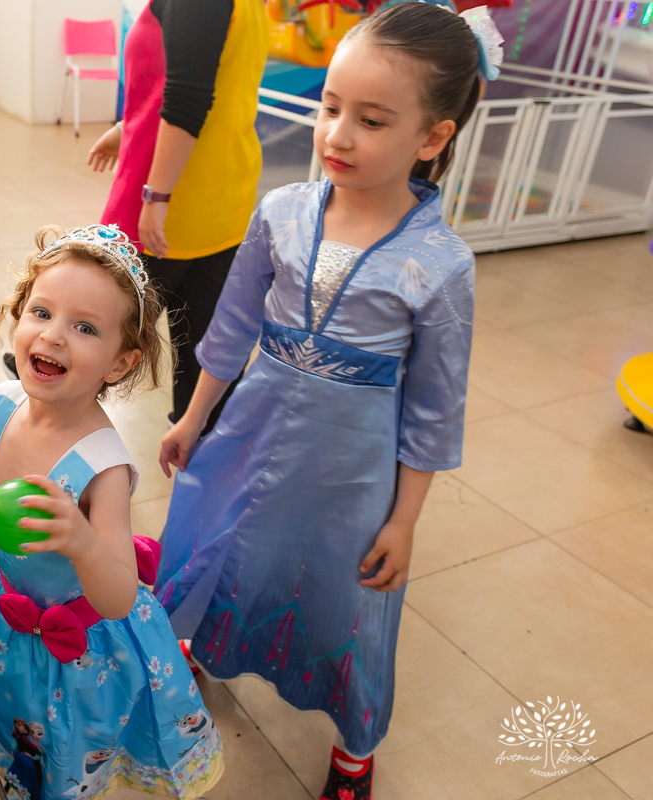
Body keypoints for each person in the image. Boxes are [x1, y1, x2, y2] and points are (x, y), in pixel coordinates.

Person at [153, 4, 502, 799]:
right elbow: (233, 326)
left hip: (353, 467)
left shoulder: (440, 264)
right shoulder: (281, 213)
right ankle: (200, 644)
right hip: (251, 428)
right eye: (330, 107)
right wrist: (193, 416)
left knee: (345, 593)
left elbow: (435, 408)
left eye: (371, 120)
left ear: (432, 137)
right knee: (222, 534)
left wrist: (405, 520)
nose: (337, 135)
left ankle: (354, 746)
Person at [0, 225, 224, 800]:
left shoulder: (101, 465)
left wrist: (83, 540)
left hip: (78, 645)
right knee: (10, 722)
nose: (54, 336)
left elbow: (117, 598)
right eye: (41, 312)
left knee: (63, 750)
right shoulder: (5, 402)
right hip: (11, 608)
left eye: (85, 328)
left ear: (119, 361)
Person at [88, 0, 269, 430]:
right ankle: (202, 461)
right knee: (203, 356)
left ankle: (45, 428)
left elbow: (188, 98)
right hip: (220, 201)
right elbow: (209, 76)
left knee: (94, 337)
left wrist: (157, 196)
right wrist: (123, 130)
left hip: (167, 205)